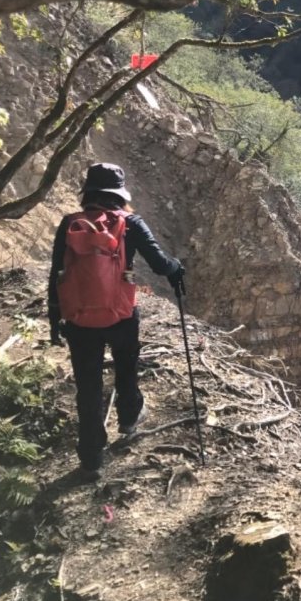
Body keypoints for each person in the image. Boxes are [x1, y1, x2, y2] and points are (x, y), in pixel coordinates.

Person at [48, 163, 185, 480]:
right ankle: (128, 419)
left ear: (89, 194)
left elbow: (57, 275)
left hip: (79, 321)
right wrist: (177, 268)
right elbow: (161, 264)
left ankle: (91, 458)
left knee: (88, 387)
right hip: (121, 315)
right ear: (118, 195)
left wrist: (55, 318)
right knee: (126, 366)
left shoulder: (70, 225)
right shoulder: (131, 223)